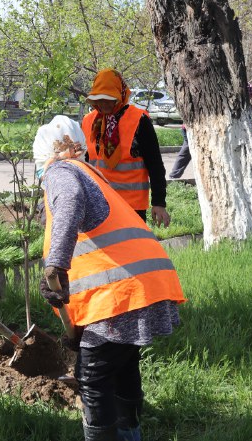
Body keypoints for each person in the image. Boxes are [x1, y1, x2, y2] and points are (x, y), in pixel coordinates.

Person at [32, 116, 185, 441]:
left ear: (43, 157)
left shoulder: (61, 172)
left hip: (121, 292)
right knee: (123, 361)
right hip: (143, 283)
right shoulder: (90, 172)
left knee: (93, 375)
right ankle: (130, 433)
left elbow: (70, 201)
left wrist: (55, 266)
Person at [82, 69, 170, 228]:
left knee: (132, 251)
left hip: (131, 206)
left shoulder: (139, 120)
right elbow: (87, 162)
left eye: (109, 98)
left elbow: (155, 164)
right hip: (99, 204)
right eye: (99, 98)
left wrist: (159, 202)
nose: (103, 103)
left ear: (120, 96)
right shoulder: (89, 121)